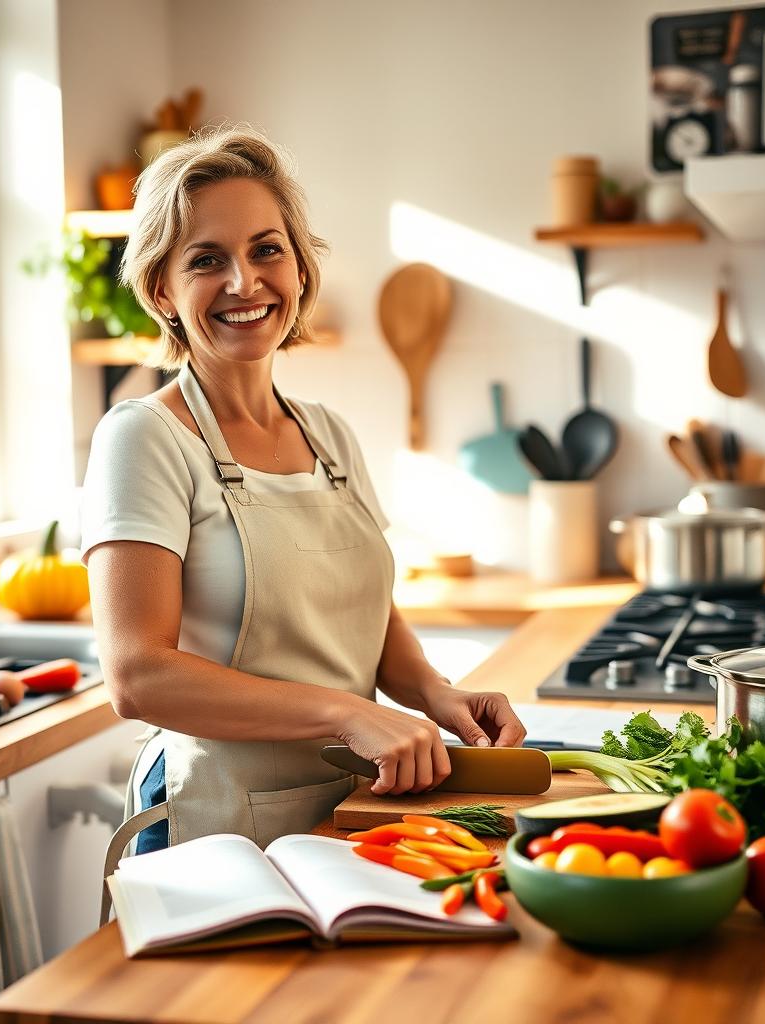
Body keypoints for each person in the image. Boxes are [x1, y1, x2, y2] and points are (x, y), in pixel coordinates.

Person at [80, 124, 525, 854]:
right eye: (206, 260)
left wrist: (436, 693)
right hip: (213, 823)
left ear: (299, 267)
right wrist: (347, 713)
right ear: (162, 288)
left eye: (266, 250)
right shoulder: (145, 437)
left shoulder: (329, 434)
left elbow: (367, 616)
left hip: (352, 810)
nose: (243, 283)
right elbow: (138, 676)